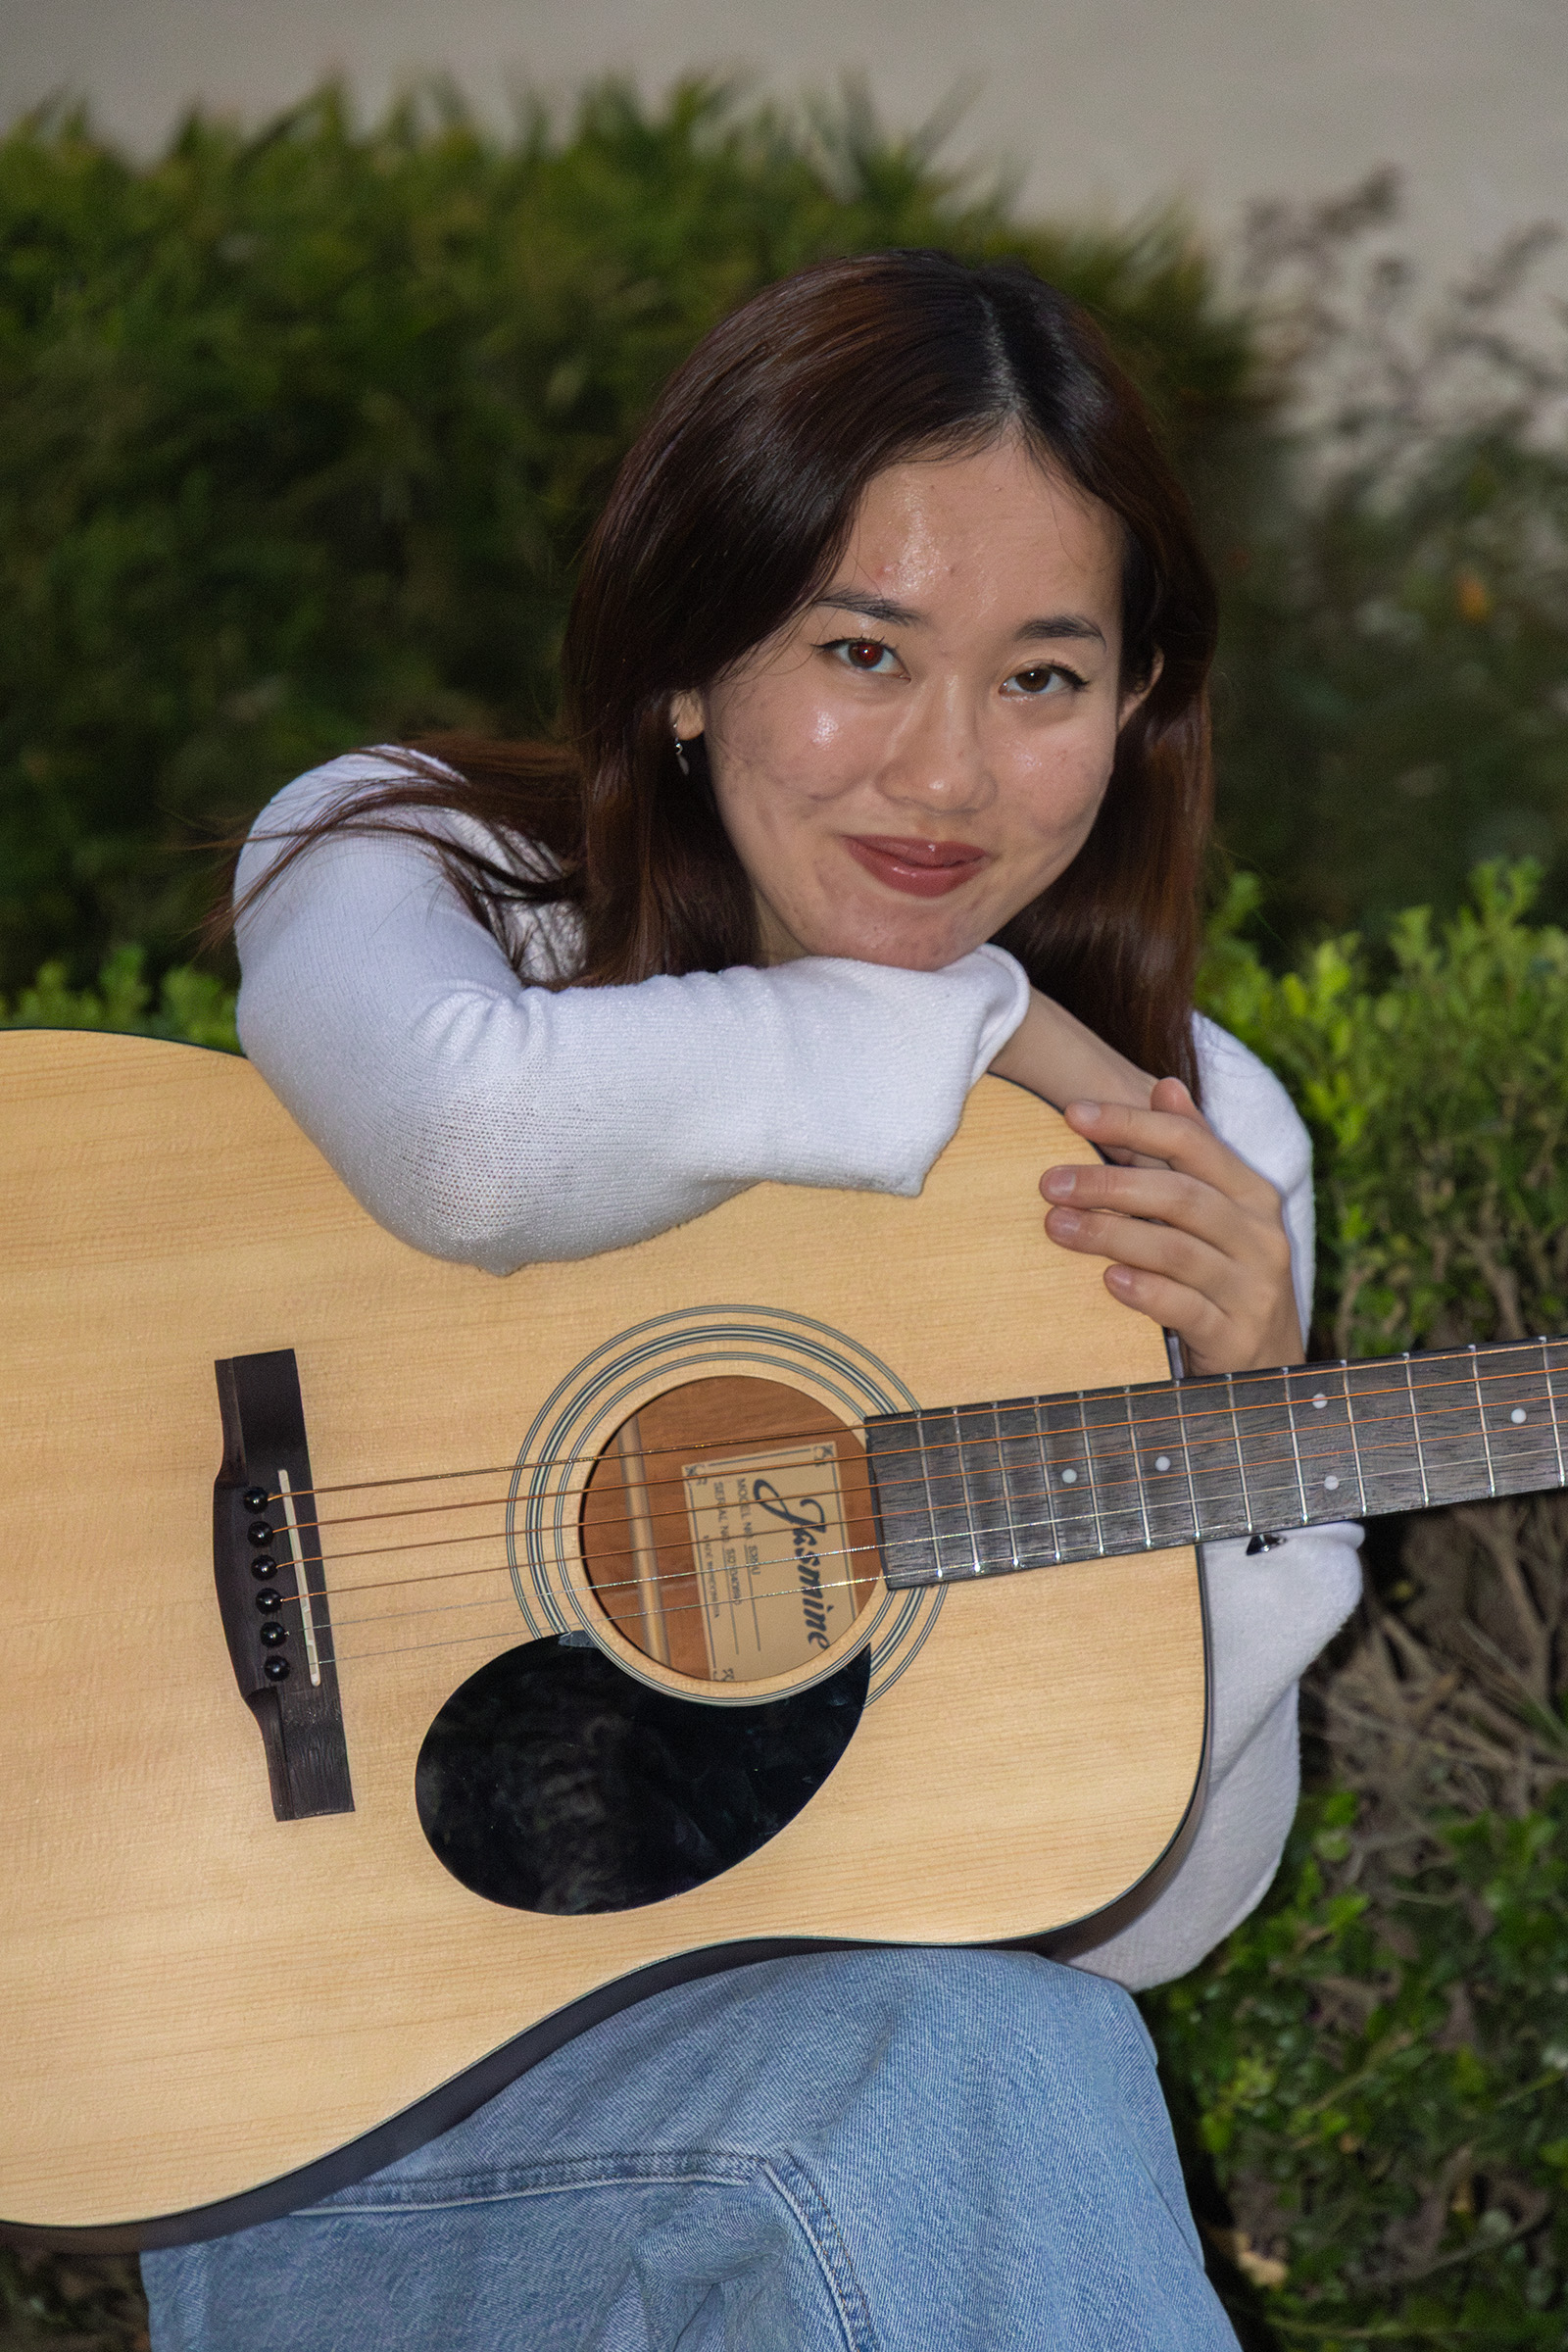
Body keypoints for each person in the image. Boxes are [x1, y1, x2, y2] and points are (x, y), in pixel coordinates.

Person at [143, 250, 1362, 2351]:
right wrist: (969, 1026)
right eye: (862, 650)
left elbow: (1140, 1922)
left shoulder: (1195, 1138)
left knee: (989, 2060)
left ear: (1140, 704)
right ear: (688, 659)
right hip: (324, 2102)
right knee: (962, 2078)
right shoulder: (408, 872)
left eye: (1042, 680)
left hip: (871, 2137)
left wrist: (1243, 1465)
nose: (946, 776)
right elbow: (473, 1146)